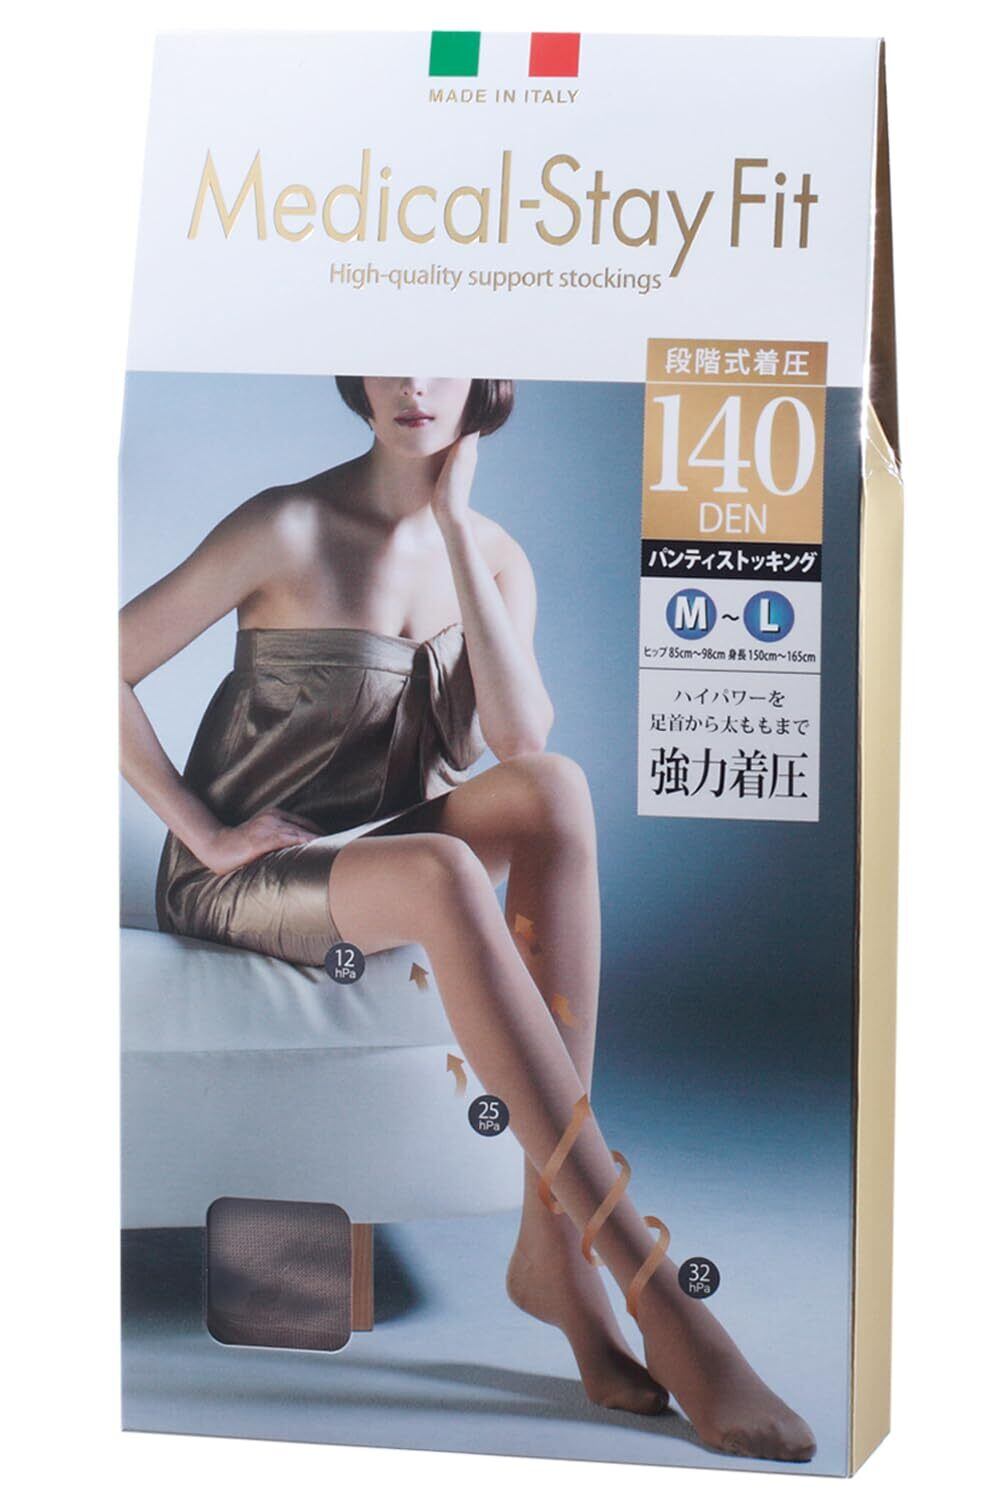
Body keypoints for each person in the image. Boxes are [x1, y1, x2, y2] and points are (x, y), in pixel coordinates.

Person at [120, 375, 815, 1461]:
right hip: (250, 880)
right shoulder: (287, 524)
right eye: (393, 355)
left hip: (385, 856)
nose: (416, 382)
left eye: (446, 358)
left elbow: (522, 741)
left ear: (489, 381)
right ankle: (649, 1283)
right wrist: (204, 835)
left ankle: (553, 1253)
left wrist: (451, 527)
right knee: (446, 870)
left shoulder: (491, 556)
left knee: (556, 791)